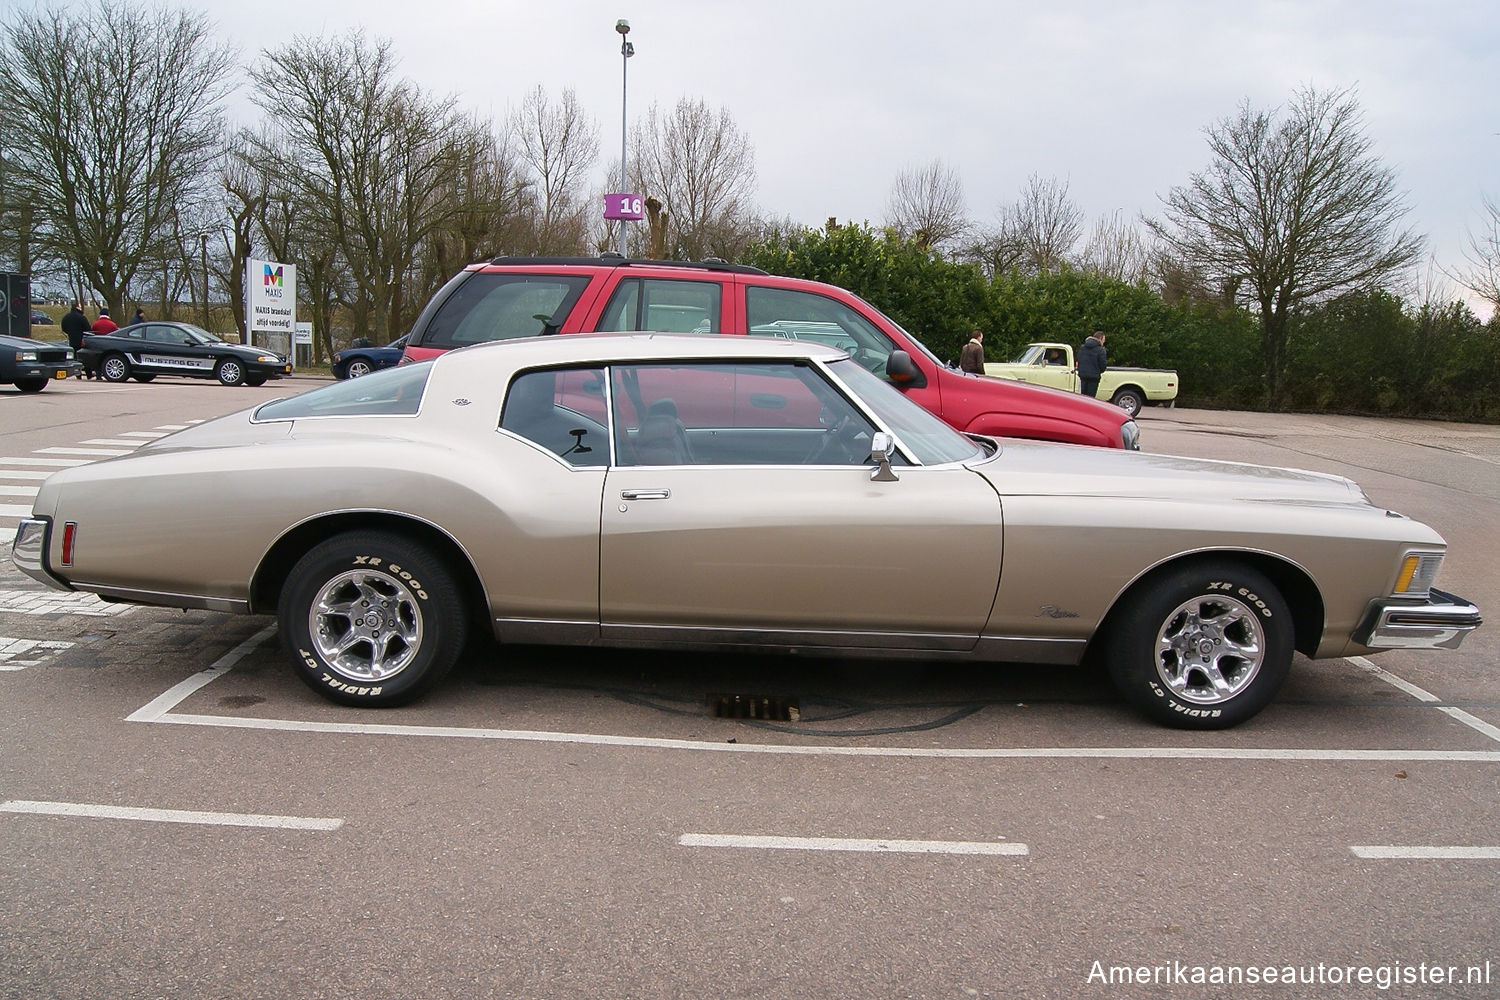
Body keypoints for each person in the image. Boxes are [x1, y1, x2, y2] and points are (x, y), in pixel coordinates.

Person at [1077, 330, 1107, 398]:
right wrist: (1098, 371)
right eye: (1103, 340)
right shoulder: (1100, 350)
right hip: (1094, 377)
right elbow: (1103, 365)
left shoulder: (1082, 348)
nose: (1104, 342)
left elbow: (1079, 359)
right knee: (1091, 399)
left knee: (1083, 397)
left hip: (1083, 376)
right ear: (1100, 338)